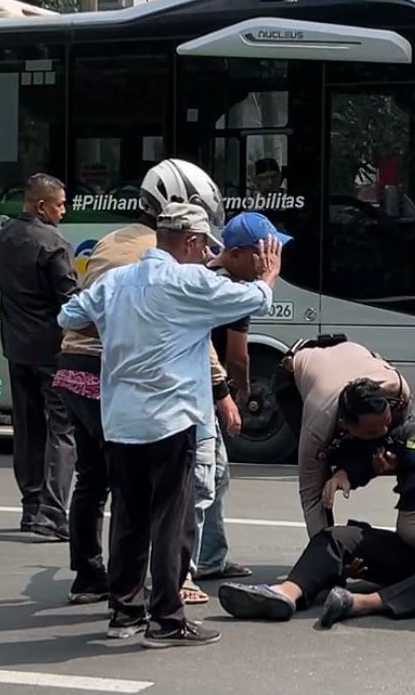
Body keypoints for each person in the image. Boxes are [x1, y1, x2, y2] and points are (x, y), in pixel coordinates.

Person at [58, 202, 280, 648]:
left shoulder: (117, 280)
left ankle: (125, 612)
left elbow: (69, 316)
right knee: (171, 520)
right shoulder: (188, 281)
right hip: (170, 418)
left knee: (128, 515)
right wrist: (269, 276)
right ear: (192, 242)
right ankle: (167, 618)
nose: (206, 255)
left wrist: (115, 324)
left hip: (121, 418)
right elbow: (253, 299)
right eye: (204, 246)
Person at [53, 159, 239, 605]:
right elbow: (190, 333)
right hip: (119, 376)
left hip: (72, 370)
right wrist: (221, 391)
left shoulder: (110, 242)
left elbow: (75, 311)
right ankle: (168, 588)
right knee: (161, 494)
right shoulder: (160, 262)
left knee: (95, 480)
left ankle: (90, 577)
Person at [217, 381, 415, 628]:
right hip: (410, 553)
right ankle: (285, 594)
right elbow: (372, 458)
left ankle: (364, 603)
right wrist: (344, 475)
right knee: (337, 537)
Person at [0, 165, 77, 539]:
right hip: (53, 352)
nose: (63, 211)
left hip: (17, 349)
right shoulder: (55, 246)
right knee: (61, 430)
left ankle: (31, 507)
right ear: (42, 206)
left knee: (27, 429)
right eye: (60, 205)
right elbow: (70, 304)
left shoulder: (1, 231)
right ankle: (53, 515)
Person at [189, 212, 294, 588]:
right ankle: (187, 567)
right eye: (264, 251)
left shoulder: (213, 276)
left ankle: (209, 558)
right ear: (236, 253)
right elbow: (237, 356)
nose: (271, 259)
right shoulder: (231, 289)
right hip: (198, 391)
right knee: (205, 478)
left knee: (216, 474)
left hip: (205, 388)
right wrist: (240, 392)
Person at [281, 340, 412, 537]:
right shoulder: (317, 423)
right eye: (372, 432)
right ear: (344, 424)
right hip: (294, 374)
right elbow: (311, 495)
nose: (385, 430)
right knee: (322, 479)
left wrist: (353, 472)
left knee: (397, 446)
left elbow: (401, 443)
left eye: (387, 421)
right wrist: (326, 553)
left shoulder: (398, 391)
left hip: (350, 356)